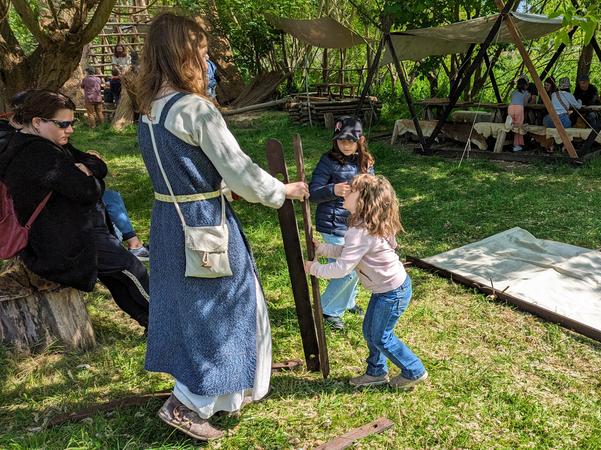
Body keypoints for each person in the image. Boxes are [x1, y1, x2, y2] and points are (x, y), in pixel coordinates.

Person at [135, 13, 308, 441]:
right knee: (225, 305)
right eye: (203, 50)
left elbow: (186, 170)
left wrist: (212, 187)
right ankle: (189, 402)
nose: (208, 58)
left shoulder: (149, 106)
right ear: (184, 53)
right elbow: (240, 171)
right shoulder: (193, 109)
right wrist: (279, 191)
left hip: (169, 222)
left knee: (189, 307)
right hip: (200, 226)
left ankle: (216, 391)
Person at [0, 90, 149, 329]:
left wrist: (89, 169)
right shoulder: (37, 152)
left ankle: (152, 323)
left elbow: (97, 163)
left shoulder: (46, 144)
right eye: (63, 124)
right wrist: (90, 176)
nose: (70, 130)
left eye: (72, 123)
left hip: (75, 233)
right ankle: (166, 325)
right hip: (68, 241)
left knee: (119, 278)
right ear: (38, 122)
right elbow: (88, 190)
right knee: (131, 270)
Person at [305, 174, 428, 390]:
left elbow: (343, 267)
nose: (346, 190)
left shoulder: (360, 232)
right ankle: (376, 372)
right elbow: (351, 253)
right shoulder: (364, 225)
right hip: (387, 290)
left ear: (362, 199)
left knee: (380, 336)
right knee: (371, 331)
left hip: (392, 292)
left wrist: (314, 268)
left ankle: (414, 370)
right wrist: (322, 249)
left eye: (351, 189)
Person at [309, 116, 374, 330]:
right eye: (340, 140)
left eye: (349, 141)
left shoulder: (365, 162)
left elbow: (373, 191)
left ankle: (347, 301)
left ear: (360, 140)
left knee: (358, 263)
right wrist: (333, 190)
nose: (345, 145)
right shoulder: (328, 161)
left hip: (356, 223)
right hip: (333, 222)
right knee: (347, 269)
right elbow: (313, 193)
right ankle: (327, 309)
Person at [507, 78, 530, 152]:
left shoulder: (513, 92)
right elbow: (525, 104)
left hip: (510, 108)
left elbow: (511, 99)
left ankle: (511, 142)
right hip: (519, 108)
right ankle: (517, 145)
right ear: (525, 85)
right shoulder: (526, 93)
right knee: (518, 127)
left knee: (512, 126)